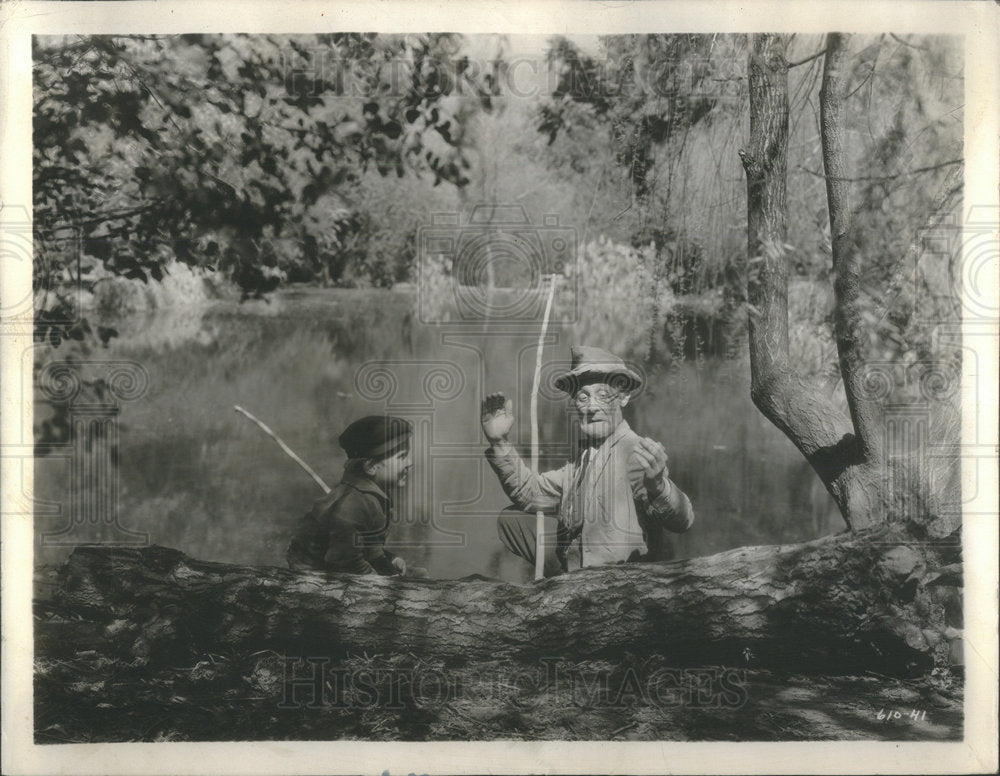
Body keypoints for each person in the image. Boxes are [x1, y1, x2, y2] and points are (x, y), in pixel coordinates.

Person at [481, 345, 694, 576]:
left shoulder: (635, 452)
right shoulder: (581, 461)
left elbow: (683, 521)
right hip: (579, 579)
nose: (592, 407)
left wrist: (658, 487)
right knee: (513, 519)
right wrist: (499, 442)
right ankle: (560, 583)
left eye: (603, 396)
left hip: (621, 585)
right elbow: (529, 494)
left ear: (623, 397)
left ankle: (566, 585)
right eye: (583, 398)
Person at [286, 415, 422, 576]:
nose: (410, 462)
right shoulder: (353, 505)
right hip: (314, 573)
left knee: (419, 575)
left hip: (343, 563)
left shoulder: (373, 495)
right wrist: (375, 579)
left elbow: (367, 541)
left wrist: (386, 559)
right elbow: (342, 559)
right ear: (371, 466)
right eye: (402, 457)